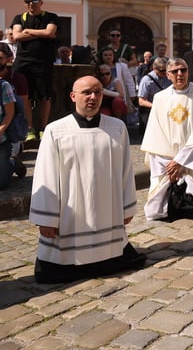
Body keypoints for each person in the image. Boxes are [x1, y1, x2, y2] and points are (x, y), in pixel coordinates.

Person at [29, 75, 145, 283]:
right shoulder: (55, 130)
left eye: (98, 92)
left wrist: (127, 208)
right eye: (86, 92)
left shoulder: (117, 128)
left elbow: (126, 171)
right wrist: (46, 219)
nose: (93, 97)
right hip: (70, 210)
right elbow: (45, 175)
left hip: (107, 208)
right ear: (73, 96)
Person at [141, 58, 193, 221]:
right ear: (168, 75)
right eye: (175, 71)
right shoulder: (160, 98)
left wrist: (181, 162)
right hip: (167, 158)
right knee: (160, 207)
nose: (180, 74)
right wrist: (170, 164)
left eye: (183, 70)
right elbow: (155, 134)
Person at [11, 0, 58, 141]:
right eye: (27, 1)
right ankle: (30, 129)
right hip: (23, 62)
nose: (31, 3)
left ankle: (44, 128)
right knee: (25, 97)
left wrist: (28, 31)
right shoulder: (19, 18)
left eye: (34, 0)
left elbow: (50, 32)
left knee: (45, 96)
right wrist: (42, 33)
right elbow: (16, 36)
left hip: (44, 62)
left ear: (41, 2)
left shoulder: (51, 16)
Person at [0, 43, 27, 182]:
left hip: (5, 134)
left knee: (2, 183)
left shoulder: (8, 84)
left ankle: (12, 162)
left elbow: (14, 112)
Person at [137, 57, 172, 136]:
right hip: (150, 109)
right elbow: (141, 101)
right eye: (161, 71)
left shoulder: (169, 77)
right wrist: (156, 106)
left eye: (166, 70)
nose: (164, 73)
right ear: (154, 68)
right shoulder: (146, 80)